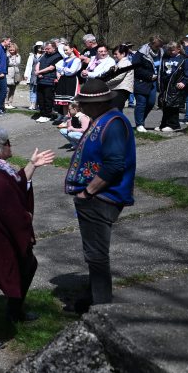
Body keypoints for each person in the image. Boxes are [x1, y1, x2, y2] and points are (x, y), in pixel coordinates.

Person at [0, 127, 56, 350]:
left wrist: (32, 165)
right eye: (7, 143)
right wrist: (26, 227)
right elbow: (10, 211)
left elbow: (15, 184)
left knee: (28, 265)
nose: (10, 146)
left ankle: (14, 311)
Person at [64, 79, 136, 311]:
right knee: (92, 252)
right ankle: (90, 297)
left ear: (100, 103)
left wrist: (88, 192)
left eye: (85, 103)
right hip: (96, 197)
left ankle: (102, 309)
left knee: (96, 255)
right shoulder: (102, 119)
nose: (82, 107)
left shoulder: (113, 123)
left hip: (102, 197)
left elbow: (114, 165)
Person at [156, 42, 188, 132]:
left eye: (172, 50)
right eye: (169, 50)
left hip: (176, 86)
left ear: (178, 49)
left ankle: (174, 125)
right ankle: (164, 124)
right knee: (166, 105)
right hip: (166, 85)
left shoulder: (183, 59)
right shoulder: (165, 58)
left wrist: (184, 82)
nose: (170, 52)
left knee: (173, 106)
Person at [132, 36, 161, 132]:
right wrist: (149, 75)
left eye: (160, 46)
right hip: (141, 81)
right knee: (141, 103)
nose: (159, 48)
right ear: (151, 44)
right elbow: (136, 67)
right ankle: (139, 124)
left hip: (154, 82)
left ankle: (141, 120)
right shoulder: (141, 53)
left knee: (151, 103)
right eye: (157, 46)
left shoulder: (161, 52)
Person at [34, 41, 61, 122]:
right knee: (40, 98)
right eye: (45, 49)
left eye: (48, 49)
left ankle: (48, 114)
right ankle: (42, 114)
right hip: (40, 80)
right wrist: (37, 73)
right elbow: (38, 63)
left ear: (54, 48)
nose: (46, 50)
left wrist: (39, 72)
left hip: (49, 81)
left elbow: (51, 68)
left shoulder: (58, 56)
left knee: (48, 98)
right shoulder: (44, 55)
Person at [104, 44, 135, 110]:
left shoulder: (124, 63)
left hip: (120, 90)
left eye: (116, 54)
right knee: (116, 110)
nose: (114, 56)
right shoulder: (121, 62)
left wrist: (105, 83)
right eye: (113, 54)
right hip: (119, 89)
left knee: (115, 110)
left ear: (123, 54)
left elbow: (118, 77)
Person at [23, 42, 43, 110]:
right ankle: (32, 104)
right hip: (33, 75)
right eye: (38, 46)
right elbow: (28, 66)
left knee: (40, 90)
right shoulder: (32, 56)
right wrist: (26, 75)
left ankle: (38, 104)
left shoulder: (45, 55)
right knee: (32, 90)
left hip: (41, 75)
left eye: (41, 46)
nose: (40, 48)